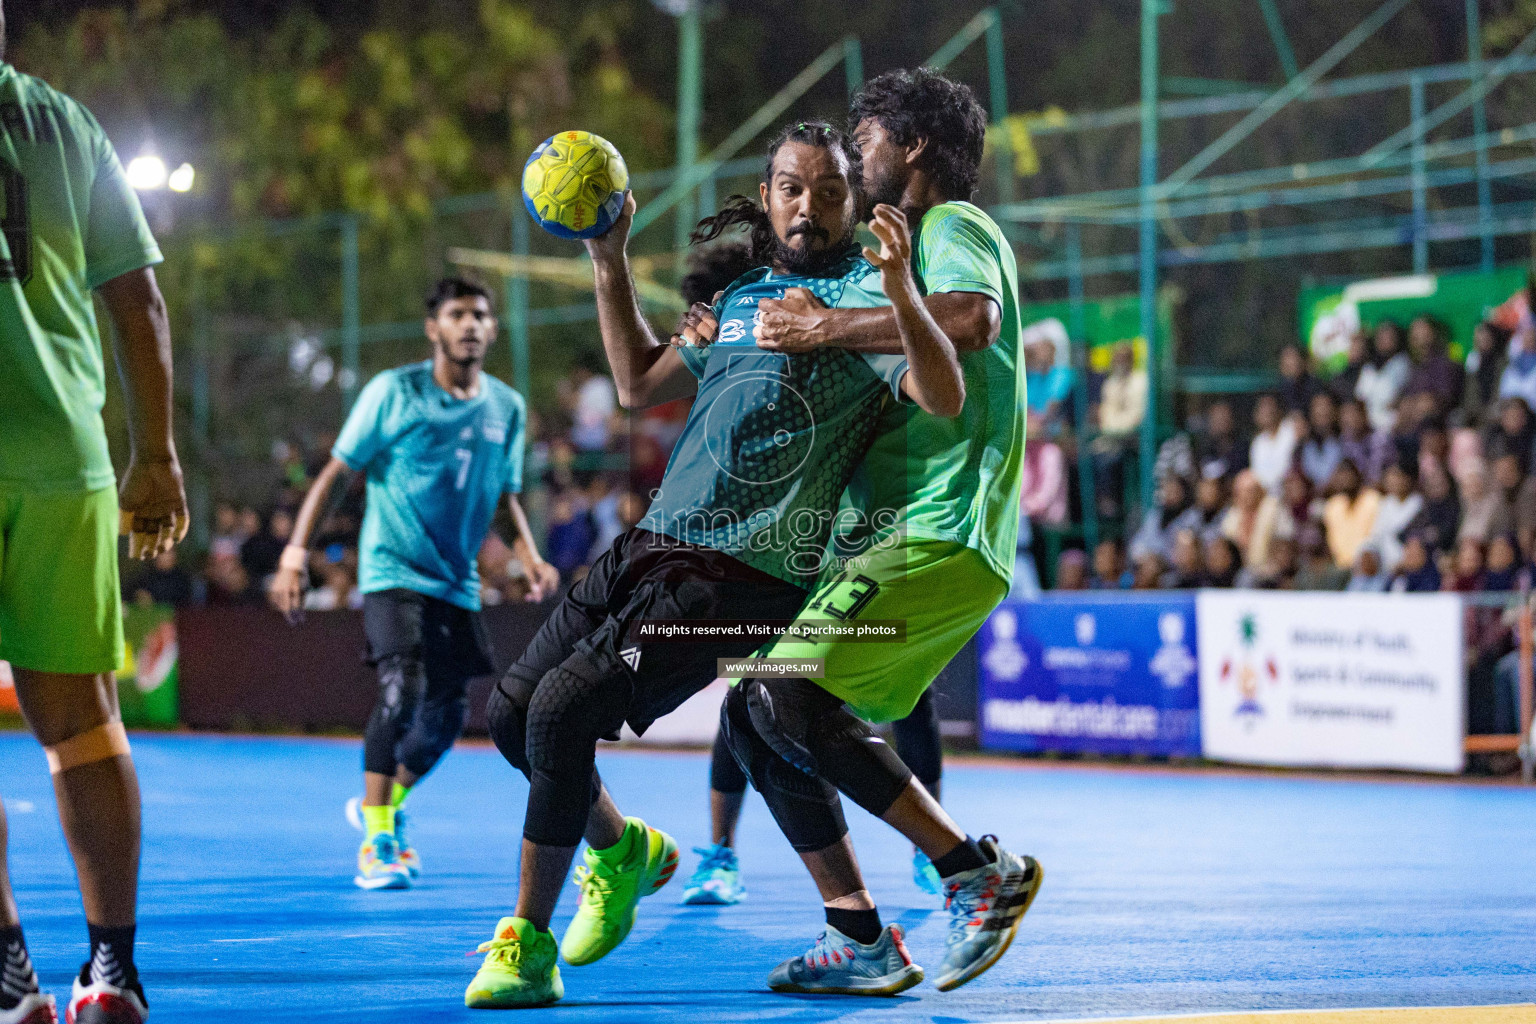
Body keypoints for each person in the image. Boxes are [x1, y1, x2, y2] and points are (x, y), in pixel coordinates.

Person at [467, 121, 988, 1008]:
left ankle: (526, 946)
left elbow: (944, 393)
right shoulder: (742, 297)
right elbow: (637, 383)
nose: (808, 207)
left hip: (745, 577)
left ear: (855, 202)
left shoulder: (863, 304)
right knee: (516, 716)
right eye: (792, 187)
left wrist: (897, 293)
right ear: (770, 191)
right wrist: (609, 255)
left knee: (562, 712)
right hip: (649, 548)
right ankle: (625, 852)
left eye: (830, 192)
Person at [723, 72, 1043, 995]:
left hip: (943, 527)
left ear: (909, 146)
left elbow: (973, 320)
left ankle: (973, 872)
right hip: (890, 535)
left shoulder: (956, 228)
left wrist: (825, 328)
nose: (851, 159)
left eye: (862, 139)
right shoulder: (896, 259)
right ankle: (859, 934)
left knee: (787, 694)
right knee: (757, 707)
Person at [0, 16, 188, 1022]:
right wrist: (153, 453)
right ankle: (113, 970)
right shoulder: (66, 125)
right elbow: (139, 301)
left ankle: (8, 976)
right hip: (61, 457)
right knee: (80, 723)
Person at [269, 277, 559, 892]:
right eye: (457, 315)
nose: (471, 325)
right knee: (402, 693)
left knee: (447, 720)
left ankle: (385, 806)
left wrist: (528, 555)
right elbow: (334, 477)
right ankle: (377, 842)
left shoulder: (505, 407)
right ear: (434, 328)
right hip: (392, 569)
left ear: (492, 328)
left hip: (456, 583)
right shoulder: (392, 393)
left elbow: (503, 494)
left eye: (480, 315)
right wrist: (296, 554)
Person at [1321, 459, 1380, 569]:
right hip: (1340, 567)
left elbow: (1375, 538)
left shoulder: (1372, 499)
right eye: (1340, 476)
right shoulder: (1332, 505)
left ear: (1356, 475)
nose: (1344, 480)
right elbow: (1331, 543)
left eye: (1347, 475)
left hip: (1368, 566)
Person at [1356, 320, 1411, 431]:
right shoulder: (1369, 367)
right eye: (1381, 337)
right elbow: (1360, 397)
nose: (1385, 341)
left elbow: (1403, 396)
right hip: (1369, 427)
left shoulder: (1403, 363)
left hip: (1394, 425)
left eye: (1390, 337)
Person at [1248, 394, 1300, 494]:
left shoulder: (1292, 430)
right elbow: (1257, 475)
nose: (1267, 411)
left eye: (1269, 406)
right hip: (1266, 496)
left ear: (1278, 409)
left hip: (1290, 493)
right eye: (1263, 408)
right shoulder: (1257, 442)